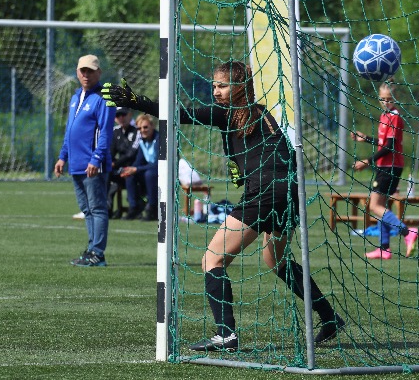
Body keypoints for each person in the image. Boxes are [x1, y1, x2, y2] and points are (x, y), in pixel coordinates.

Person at [102, 63, 345, 351]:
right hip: (288, 190)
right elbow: (280, 154)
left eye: (223, 85)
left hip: (266, 192)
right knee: (276, 262)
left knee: (212, 260)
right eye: (214, 85)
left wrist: (137, 102)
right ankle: (329, 317)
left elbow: (180, 114)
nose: (216, 91)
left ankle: (226, 334)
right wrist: (245, 170)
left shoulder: (228, 113)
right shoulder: (262, 114)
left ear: (241, 87)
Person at [54, 54, 116, 267]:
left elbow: (106, 132)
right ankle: (91, 250)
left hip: (92, 165)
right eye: (83, 70)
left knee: (97, 208)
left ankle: (98, 253)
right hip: (76, 164)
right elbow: (69, 131)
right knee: (87, 209)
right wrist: (63, 156)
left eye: (90, 71)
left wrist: (96, 158)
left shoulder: (104, 98)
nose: (86, 74)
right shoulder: (75, 97)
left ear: (99, 72)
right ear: (78, 72)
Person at [350, 81, 418, 260]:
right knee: (382, 206)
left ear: (396, 99)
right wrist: (366, 139)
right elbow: (383, 143)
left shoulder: (395, 116)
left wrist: (368, 161)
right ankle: (384, 248)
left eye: (389, 99)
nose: (386, 102)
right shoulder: (384, 115)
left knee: (374, 206)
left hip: (390, 166)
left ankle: (407, 232)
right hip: (387, 166)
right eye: (383, 99)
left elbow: (390, 147)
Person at [120, 114, 159, 221]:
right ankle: (134, 208)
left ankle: (152, 208)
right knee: (130, 174)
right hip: (149, 171)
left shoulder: (159, 139)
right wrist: (130, 169)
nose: (142, 130)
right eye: (139, 128)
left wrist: (136, 169)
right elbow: (139, 161)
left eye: (145, 127)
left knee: (149, 174)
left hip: (162, 172)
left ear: (152, 126)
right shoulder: (142, 141)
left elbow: (158, 164)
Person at [109, 107, 140, 219]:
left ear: (130, 114)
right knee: (106, 173)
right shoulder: (115, 131)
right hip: (120, 167)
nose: (121, 117)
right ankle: (106, 208)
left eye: (123, 114)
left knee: (129, 175)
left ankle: (133, 208)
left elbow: (131, 153)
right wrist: (110, 163)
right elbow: (111, 152)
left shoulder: (137, 130)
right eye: (118, 115)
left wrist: (115, 164)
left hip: (134, 166)